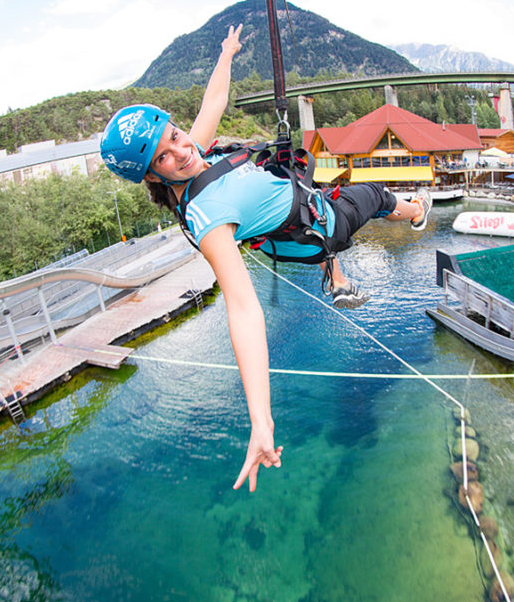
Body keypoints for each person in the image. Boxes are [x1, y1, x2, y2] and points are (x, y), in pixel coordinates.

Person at [99, 25, 431, 493]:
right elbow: (242, 308)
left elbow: (211, 105)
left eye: (175, 135)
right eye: (166, 156)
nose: (182, 150)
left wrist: (226, 53)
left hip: (297, 211)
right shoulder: (208, 217)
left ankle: (336, 276)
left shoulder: (191, 159)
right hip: (321, 221)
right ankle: (416, 211)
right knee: (375, 195)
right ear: (153, 177)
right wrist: (261, 420)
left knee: (322, 194)